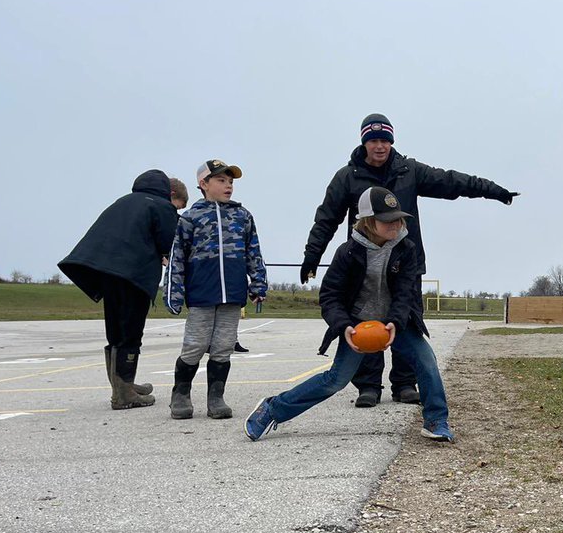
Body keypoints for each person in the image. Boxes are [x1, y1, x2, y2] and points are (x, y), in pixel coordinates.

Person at [301, 114, 517, 408]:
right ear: (364, 143)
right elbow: (327, 218)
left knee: (405, 319)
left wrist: (493, 191)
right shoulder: (347, 177)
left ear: (392, 142)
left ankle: (404, 383)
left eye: (385, 140)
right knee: (366, 321)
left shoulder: (409, 171)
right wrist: (312, 256)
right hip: (364, 265)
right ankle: (368, 386)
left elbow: (451, 181)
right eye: (374, 141)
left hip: (404, 263)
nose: (380, 146)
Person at [246, 187, 454, 443]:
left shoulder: (407, 249)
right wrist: (343, 326)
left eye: (398, 218)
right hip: (357, 324)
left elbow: (405, 293)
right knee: (336, 380)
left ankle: (436, 420)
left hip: (396, 321)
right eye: (387, 219)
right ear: (368, 220)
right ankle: (272, 409)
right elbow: (330, 296)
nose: (395, 224)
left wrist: (395, 322)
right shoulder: (347, 252)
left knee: (426, 361)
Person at [59, 170, 179, 409]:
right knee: (131, 333)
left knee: (116, 331)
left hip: (107, 273)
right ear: (167, 191)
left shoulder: (123, 202)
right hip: (133, 275)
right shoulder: (161, 206)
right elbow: (170, 241)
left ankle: (123, 386)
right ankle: (124, 395)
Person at [165, 160, 268, 419]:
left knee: (223, 346)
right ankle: (181, 394)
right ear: (204, 184)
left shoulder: (243, 216)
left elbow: (253, 252)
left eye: (230, 182)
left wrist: (258, 284)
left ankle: (216, 397)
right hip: (202, 293)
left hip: (232, 294)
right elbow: (177, 258)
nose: (228, 186)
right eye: (221, 180)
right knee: (195, 345)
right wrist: (174, 293)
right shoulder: (190, 218)